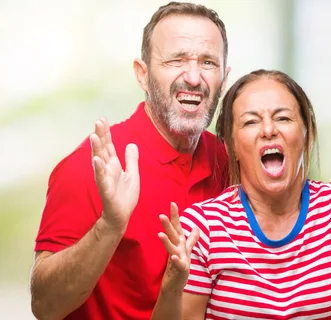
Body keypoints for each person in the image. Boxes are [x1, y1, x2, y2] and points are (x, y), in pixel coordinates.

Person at [149, 69, 331, 319]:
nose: (269, 130)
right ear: (232, 145)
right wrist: (172, 284)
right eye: (250, 122)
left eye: (283, 118)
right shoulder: (204, 227)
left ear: (306, 133)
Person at [29, 2, 231, 319]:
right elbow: (44, 307)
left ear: (224, 76)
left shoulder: (231, 163)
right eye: (176, 60)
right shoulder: (93, 164)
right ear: (143, 74)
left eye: (208, 62)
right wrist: (109, 227)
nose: (193, 77)